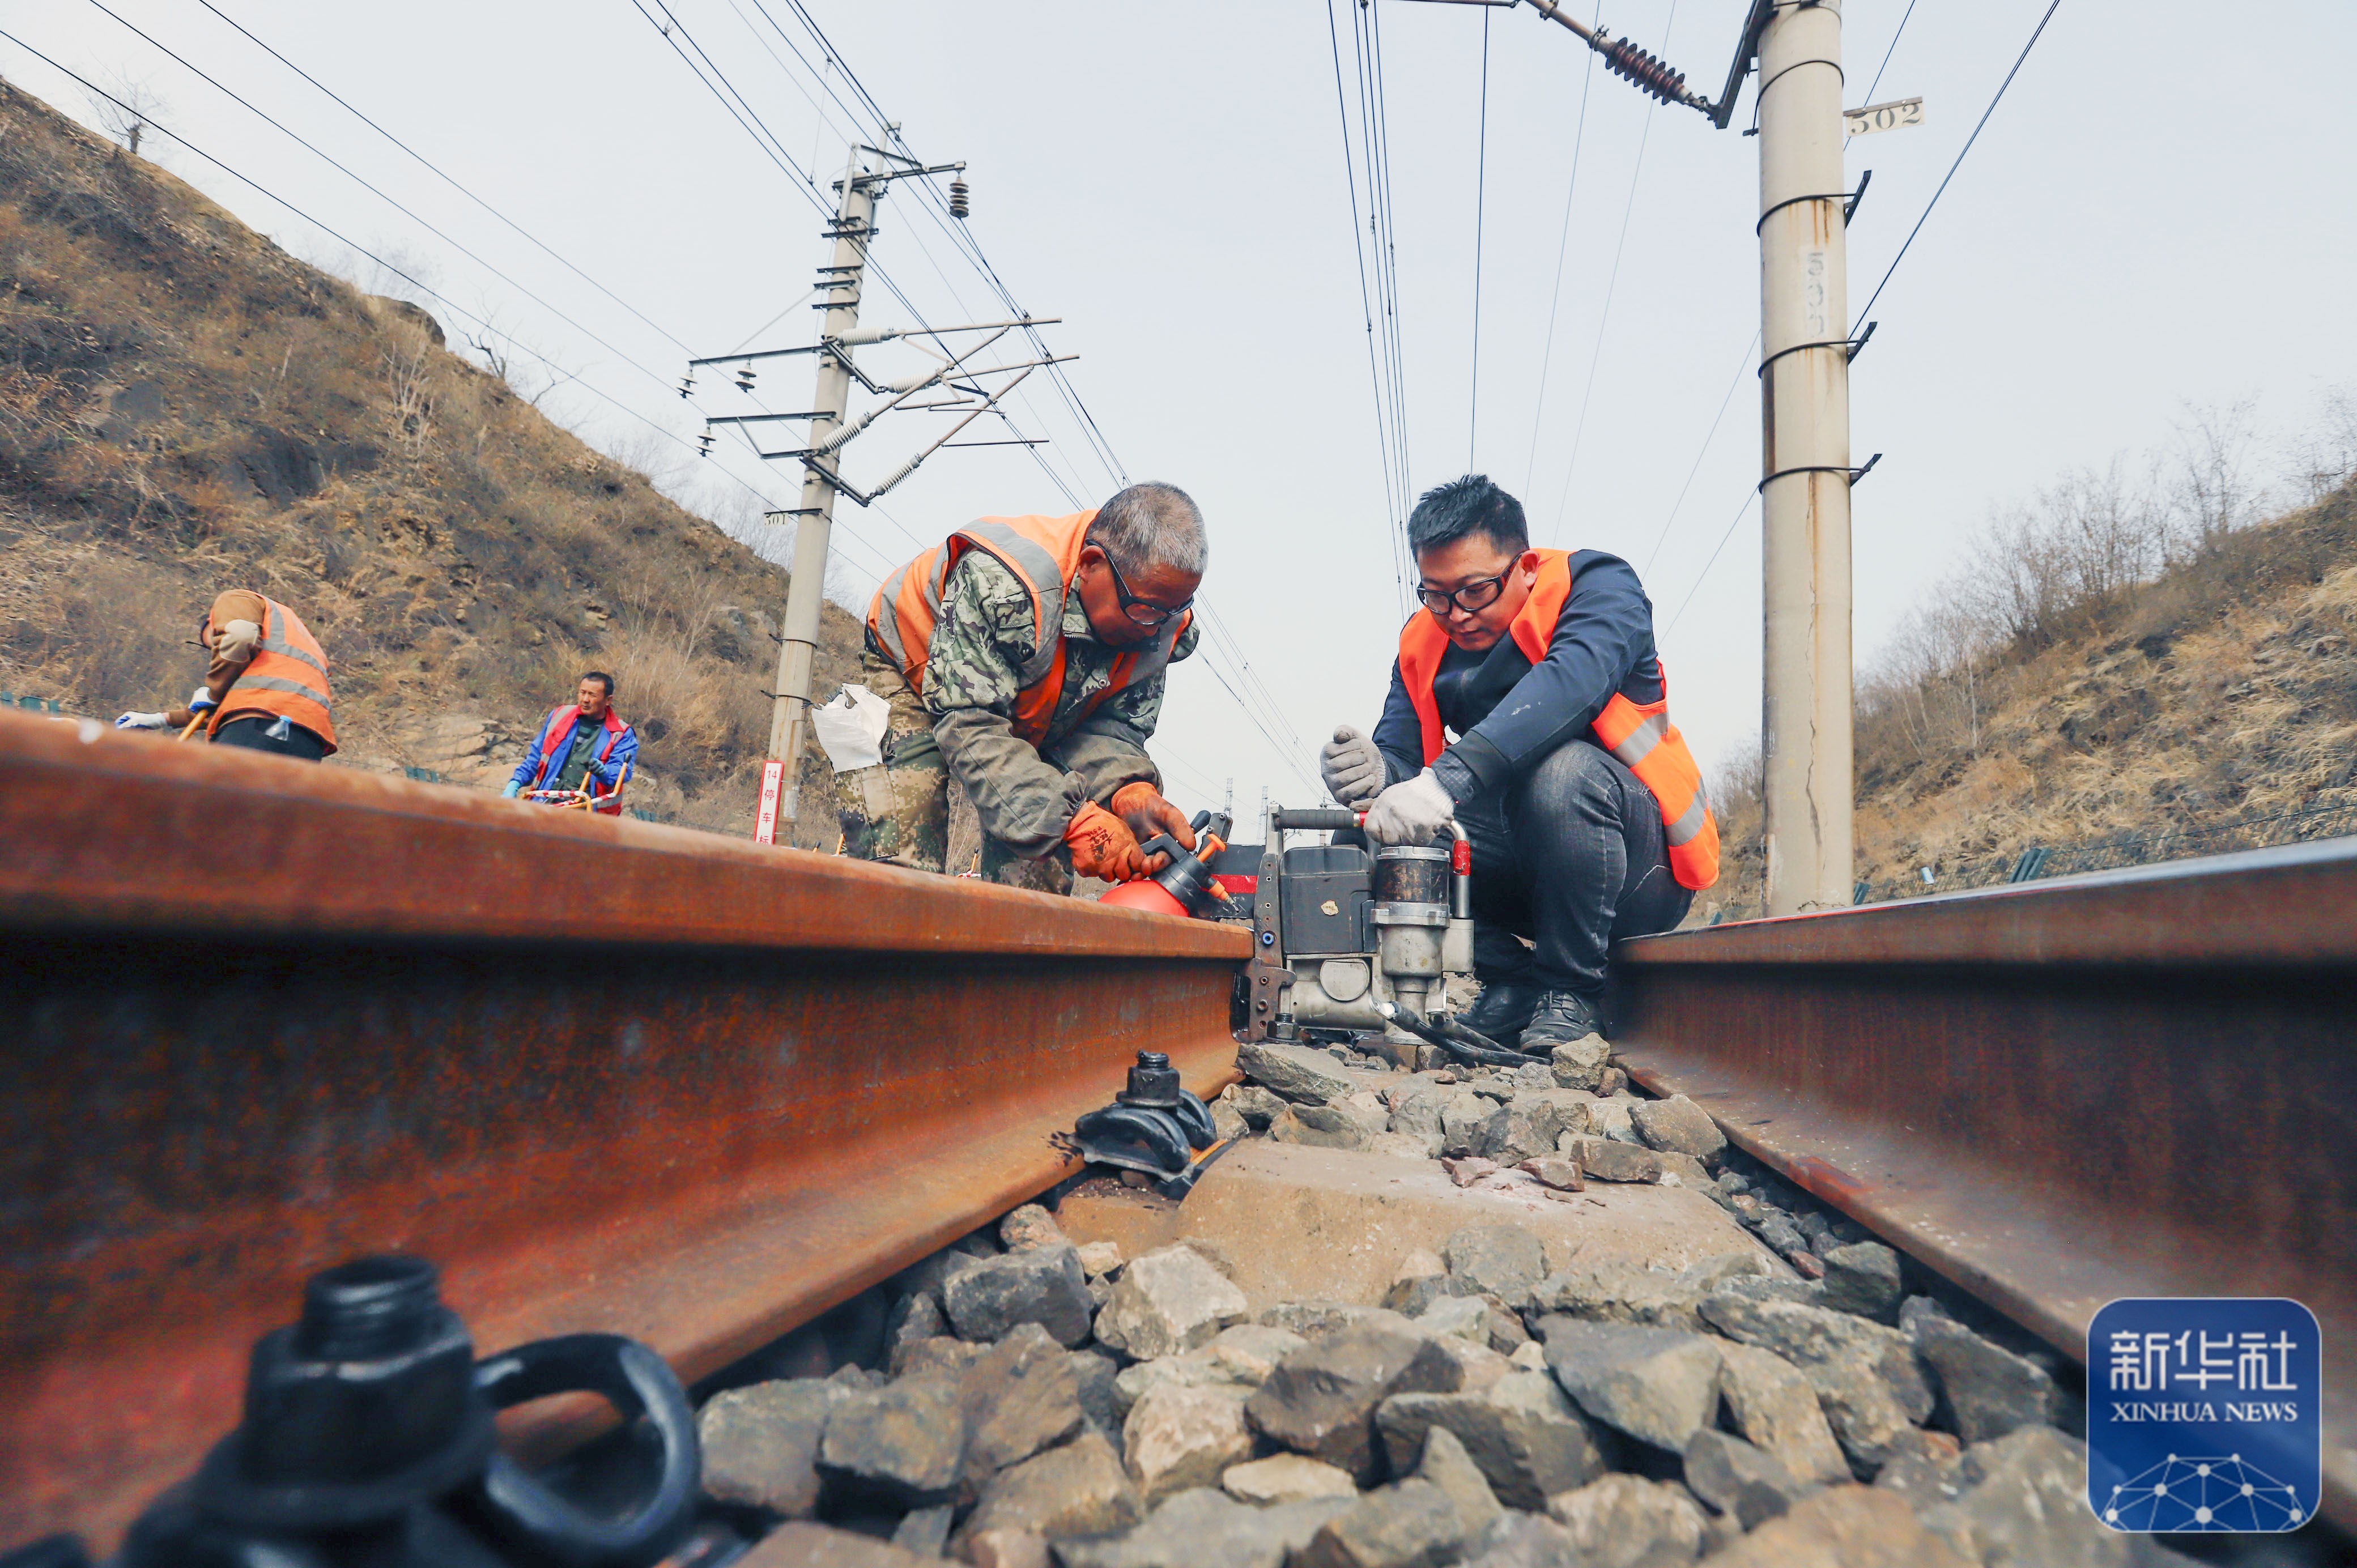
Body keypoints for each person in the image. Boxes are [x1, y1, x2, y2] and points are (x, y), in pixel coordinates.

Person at [1321, 474, 1718, 1051]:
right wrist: (1377, 773)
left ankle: (1569, 991)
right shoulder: (1421, 641)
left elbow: (1568, 686)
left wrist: (1446, 779)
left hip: (1639, 872)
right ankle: (1511, 980)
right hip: (1524, 875)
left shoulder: (1600, 590)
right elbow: (1404, 757)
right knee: (1376, 828)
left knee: (1562, 772)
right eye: (1434, 594)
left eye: (1474, 590)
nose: (1454, 613)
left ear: (1525, 567)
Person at [849, 482, 1208, 893]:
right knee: (899, 874)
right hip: (914, 672)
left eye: (1176, 609)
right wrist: (1075, 822)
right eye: (1146, 610)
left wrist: (1128, 790)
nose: (1158, 628)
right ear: (1091, 565)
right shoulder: (1006, 584)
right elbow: (971, 725)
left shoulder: (1160, 624)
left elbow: (1109, 730)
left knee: (1039, 895)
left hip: (1032, 706)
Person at [114, 589, 337, 760]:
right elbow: (240, 705)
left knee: (221, 810)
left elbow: (239, 636)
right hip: (309, 740)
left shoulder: (237, 599)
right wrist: (160, 719)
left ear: (211, 624)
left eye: (210, 642)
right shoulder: (296, 644)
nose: (214, 649)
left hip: (256, 725)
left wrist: (214, 691)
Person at [505, 673, 637, 814]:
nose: (585, 700)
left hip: (587, 812)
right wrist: (515, 783)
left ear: (608, 700)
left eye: (592, 695)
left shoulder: (621, 733)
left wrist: (605, 773)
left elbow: (622, 770)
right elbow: (537, 756)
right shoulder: (559, 716)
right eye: (582, 693)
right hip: (546, 802)